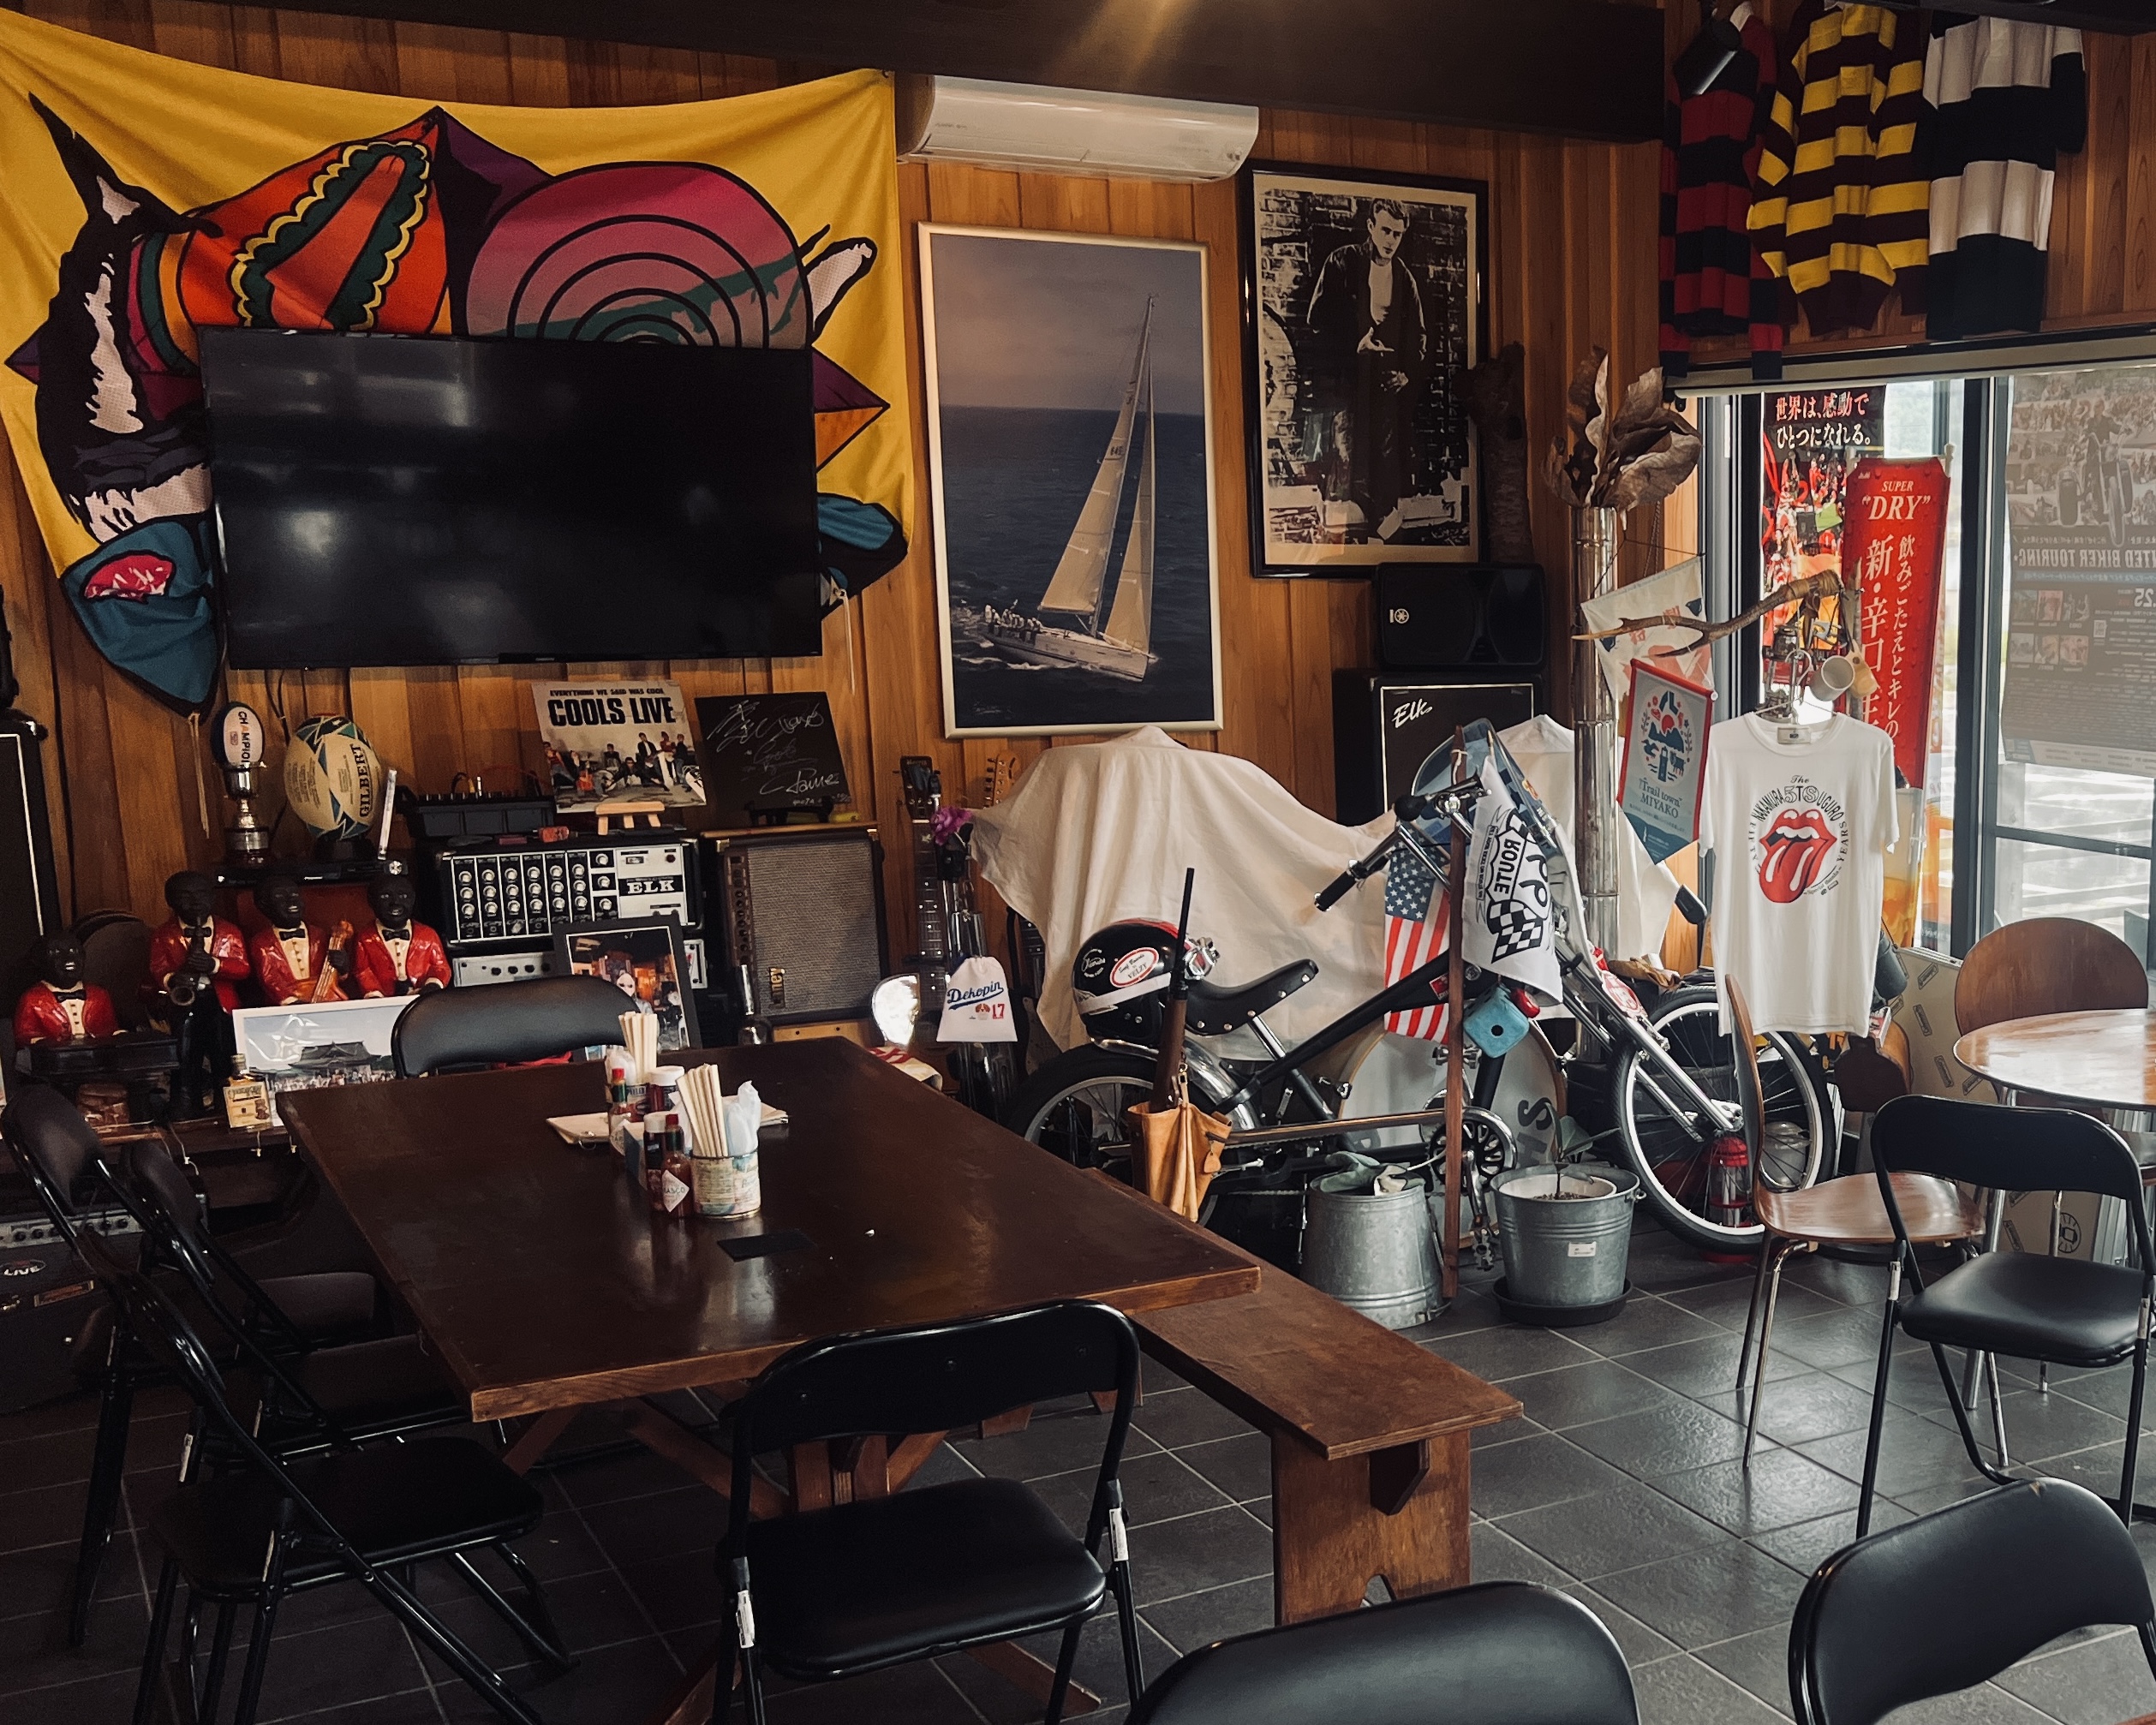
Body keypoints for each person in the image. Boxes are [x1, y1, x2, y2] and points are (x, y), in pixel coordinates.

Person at [1304, 198, 1426, 541]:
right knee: (1347, 453)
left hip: (1385, 382)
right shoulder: (1342, 261)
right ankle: (1348, 535)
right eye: (1385, 230)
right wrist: (1354, 343)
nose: (1390, 240)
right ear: (1371, 227)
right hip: (1347, 377)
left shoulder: (1404, 277)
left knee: (1385, 460)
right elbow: (1317, 318)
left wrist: (1406, 373)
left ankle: (1378, 537)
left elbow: (1419, 334)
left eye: (1397, 234)